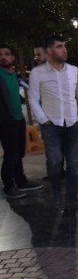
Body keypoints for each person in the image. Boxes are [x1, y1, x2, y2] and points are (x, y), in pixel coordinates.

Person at [28, 35, 78, 210]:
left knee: (73, 164)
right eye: (59, 46)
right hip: (51, 125)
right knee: (54, 161)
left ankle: (72, 198)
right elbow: (33, 98)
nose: (64, 50)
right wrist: (43, 119)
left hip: (73, 124)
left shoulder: (74, 71)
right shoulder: (38, 73)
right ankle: (55, 189)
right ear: (49, 50)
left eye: (64, 46)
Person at [0, 44, 43, 199]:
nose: (3, 57)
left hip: (18, 120)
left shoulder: (12, 75)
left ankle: (21, 181)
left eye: (6, 54)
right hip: (6, 122)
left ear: (12, 58)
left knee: (19, 153)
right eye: (0, 54)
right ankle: (8, 187)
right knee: (11, 155)